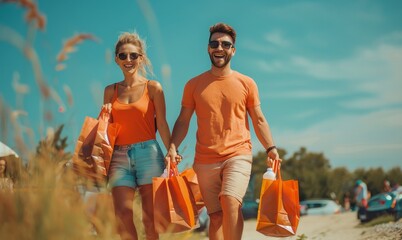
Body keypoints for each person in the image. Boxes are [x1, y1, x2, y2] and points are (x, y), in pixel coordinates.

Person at [165, 23, 280, 240]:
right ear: (208, 48)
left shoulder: (247, 83)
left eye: (225, 44)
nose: (219, 47)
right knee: (215, 216)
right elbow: (183, 120)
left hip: (238, 154)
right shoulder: (193, 85)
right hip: (205, 159)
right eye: (214, 43)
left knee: (230, 200)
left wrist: (271, 148)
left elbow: (259, 119)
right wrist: (172, 146)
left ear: (233, 50)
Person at [102, 32, 174, 240]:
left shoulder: (153, 88)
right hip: (119, 157)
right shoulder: (110, 91)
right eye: (123, 56)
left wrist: (171, 150)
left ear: (141, 58)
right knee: (122, 216)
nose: (128, 60)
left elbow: (161, 123)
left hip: (148, 155)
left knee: (151, 218)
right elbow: (106, 128)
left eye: (133, 56)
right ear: (116, 59)